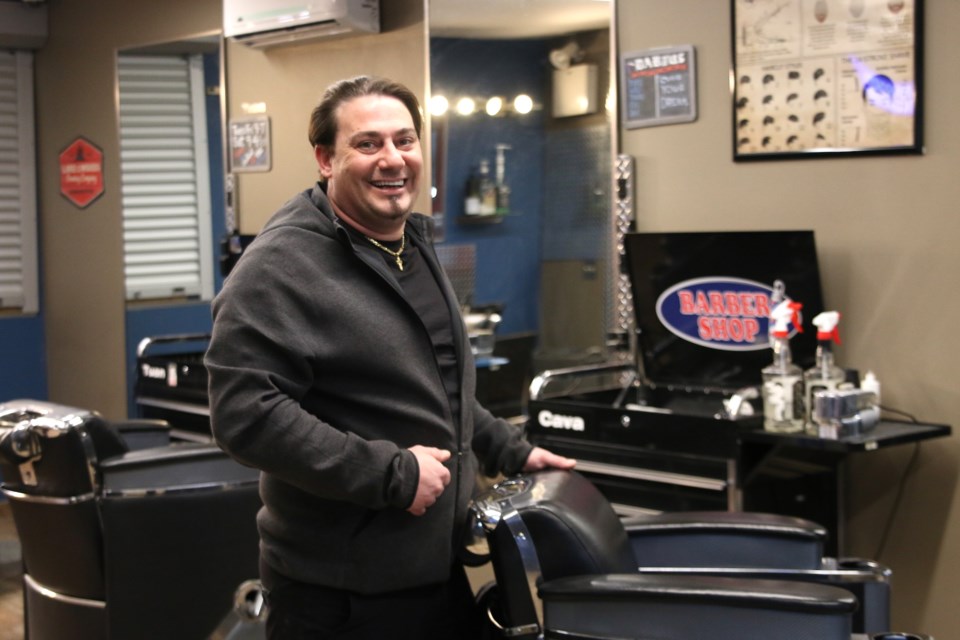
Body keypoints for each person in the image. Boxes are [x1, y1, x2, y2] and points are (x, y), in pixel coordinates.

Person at [205, 75, 576, 639]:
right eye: (368, 144)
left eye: (405, 141)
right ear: (326, 159)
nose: (392, 160)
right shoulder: (280, 265)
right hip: (338, 596)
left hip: (433, 571)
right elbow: (244, 416)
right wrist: (389, 474)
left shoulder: (409, 243)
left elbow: (436, 386)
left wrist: (512, 450)